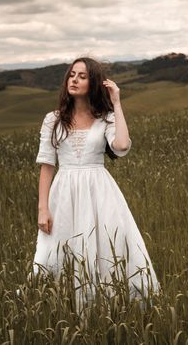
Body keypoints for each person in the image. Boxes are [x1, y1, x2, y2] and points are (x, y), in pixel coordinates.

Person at [33, 56, 161, 301]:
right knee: (56, 249)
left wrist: (116, 102)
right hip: (64, 193)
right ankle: (61, 302)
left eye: (82, 76)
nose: (75, 80)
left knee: (103, 245)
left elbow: (122, 145)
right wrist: (43, 208)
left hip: (99, 192)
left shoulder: (106, 118)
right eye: (72, 75)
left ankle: (105, 303)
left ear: (93, 84)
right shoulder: (53, 119)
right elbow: (47, 165)